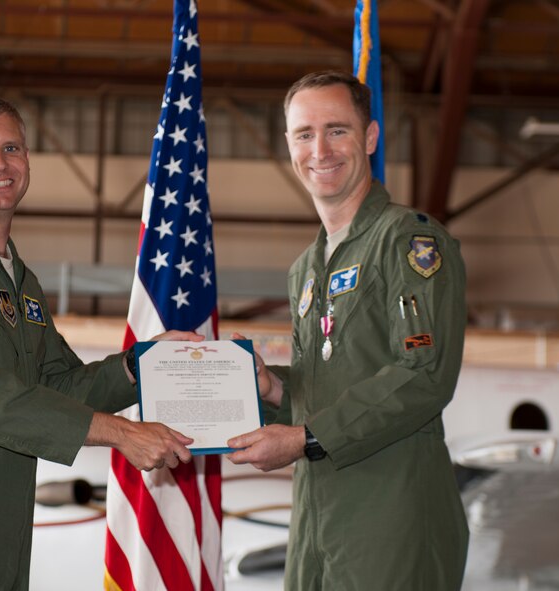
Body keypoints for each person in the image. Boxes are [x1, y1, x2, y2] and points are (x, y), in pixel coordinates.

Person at [0, 93, 199, 590]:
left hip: (1, 517)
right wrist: (121, 433)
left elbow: (57, 385)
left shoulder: (17, 280)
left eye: (11, 149)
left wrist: (144, 366)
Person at [227, 71, 469, 590]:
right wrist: (275, 387)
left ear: (371, 138)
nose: (320, 149)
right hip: (317, 519)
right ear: (288, 145)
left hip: (392, 516)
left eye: (337, 130)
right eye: (304, 133)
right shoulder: (306, 269)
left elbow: (423, 375)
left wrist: (305, 437)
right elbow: (335, 379)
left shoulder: (408, 241)